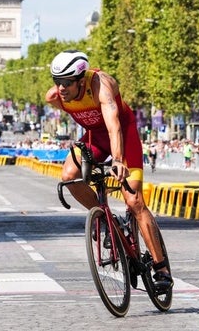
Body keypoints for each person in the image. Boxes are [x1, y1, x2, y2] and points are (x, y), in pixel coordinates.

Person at [44, 49, 173, 292]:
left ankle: (161, 268)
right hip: (94, 138)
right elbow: (65, 102)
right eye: (57, 82)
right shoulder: (55, 97)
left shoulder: (102, 85)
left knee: (134, 202)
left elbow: (114, 126)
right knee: (68, 175)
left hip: (124, 136)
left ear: (81, 80)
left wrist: (119, 160)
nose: (61, 88)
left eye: (66, 83)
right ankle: (104, 219)